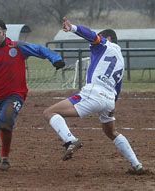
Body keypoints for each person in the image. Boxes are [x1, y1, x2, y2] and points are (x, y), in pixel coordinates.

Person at [43, 17, 144, 174]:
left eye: (101, 36)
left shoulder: (104, 45)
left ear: (108, 38)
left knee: (49, 112)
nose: (96, 40)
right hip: (110, 99)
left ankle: (70, 140)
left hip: (94, 93)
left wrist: (73, 28)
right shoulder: (121, 59)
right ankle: (137, 165)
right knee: (111, 132)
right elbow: (119, 86)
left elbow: (91, 35)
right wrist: (111, 108)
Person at [0, 18, 65, 171]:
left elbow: (39, 50)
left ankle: (5, 157)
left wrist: (56, 59)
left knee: (5, 121)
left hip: (15, 94)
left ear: (4, 32)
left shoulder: (17, 47)